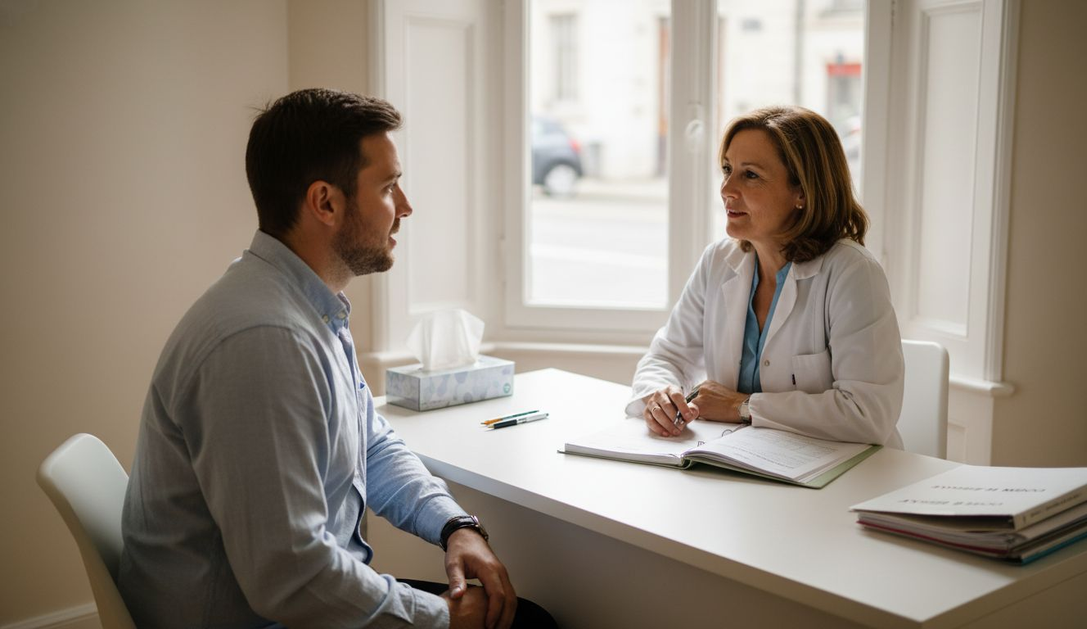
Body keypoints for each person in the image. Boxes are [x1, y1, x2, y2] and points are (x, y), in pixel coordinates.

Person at [118, 89, 554, 629]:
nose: (406, 207)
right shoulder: (264, 341)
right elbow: (291, 578)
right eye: (389, 187)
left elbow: (369, 443)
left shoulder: (301, 306)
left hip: (291, 601)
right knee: (527, 622)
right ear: (325, 202)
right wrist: (441, 618)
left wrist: (454, 525)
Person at [628, 105, 904, 448]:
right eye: (727, 169)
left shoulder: (852, 272)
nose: (726, 188)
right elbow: (666, 357)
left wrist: (742, 406)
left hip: (847, 470)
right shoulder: (718, 261)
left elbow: (868, 413)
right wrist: (661, 395)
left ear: (802, 191)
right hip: (743, 458)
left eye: (750, 175)